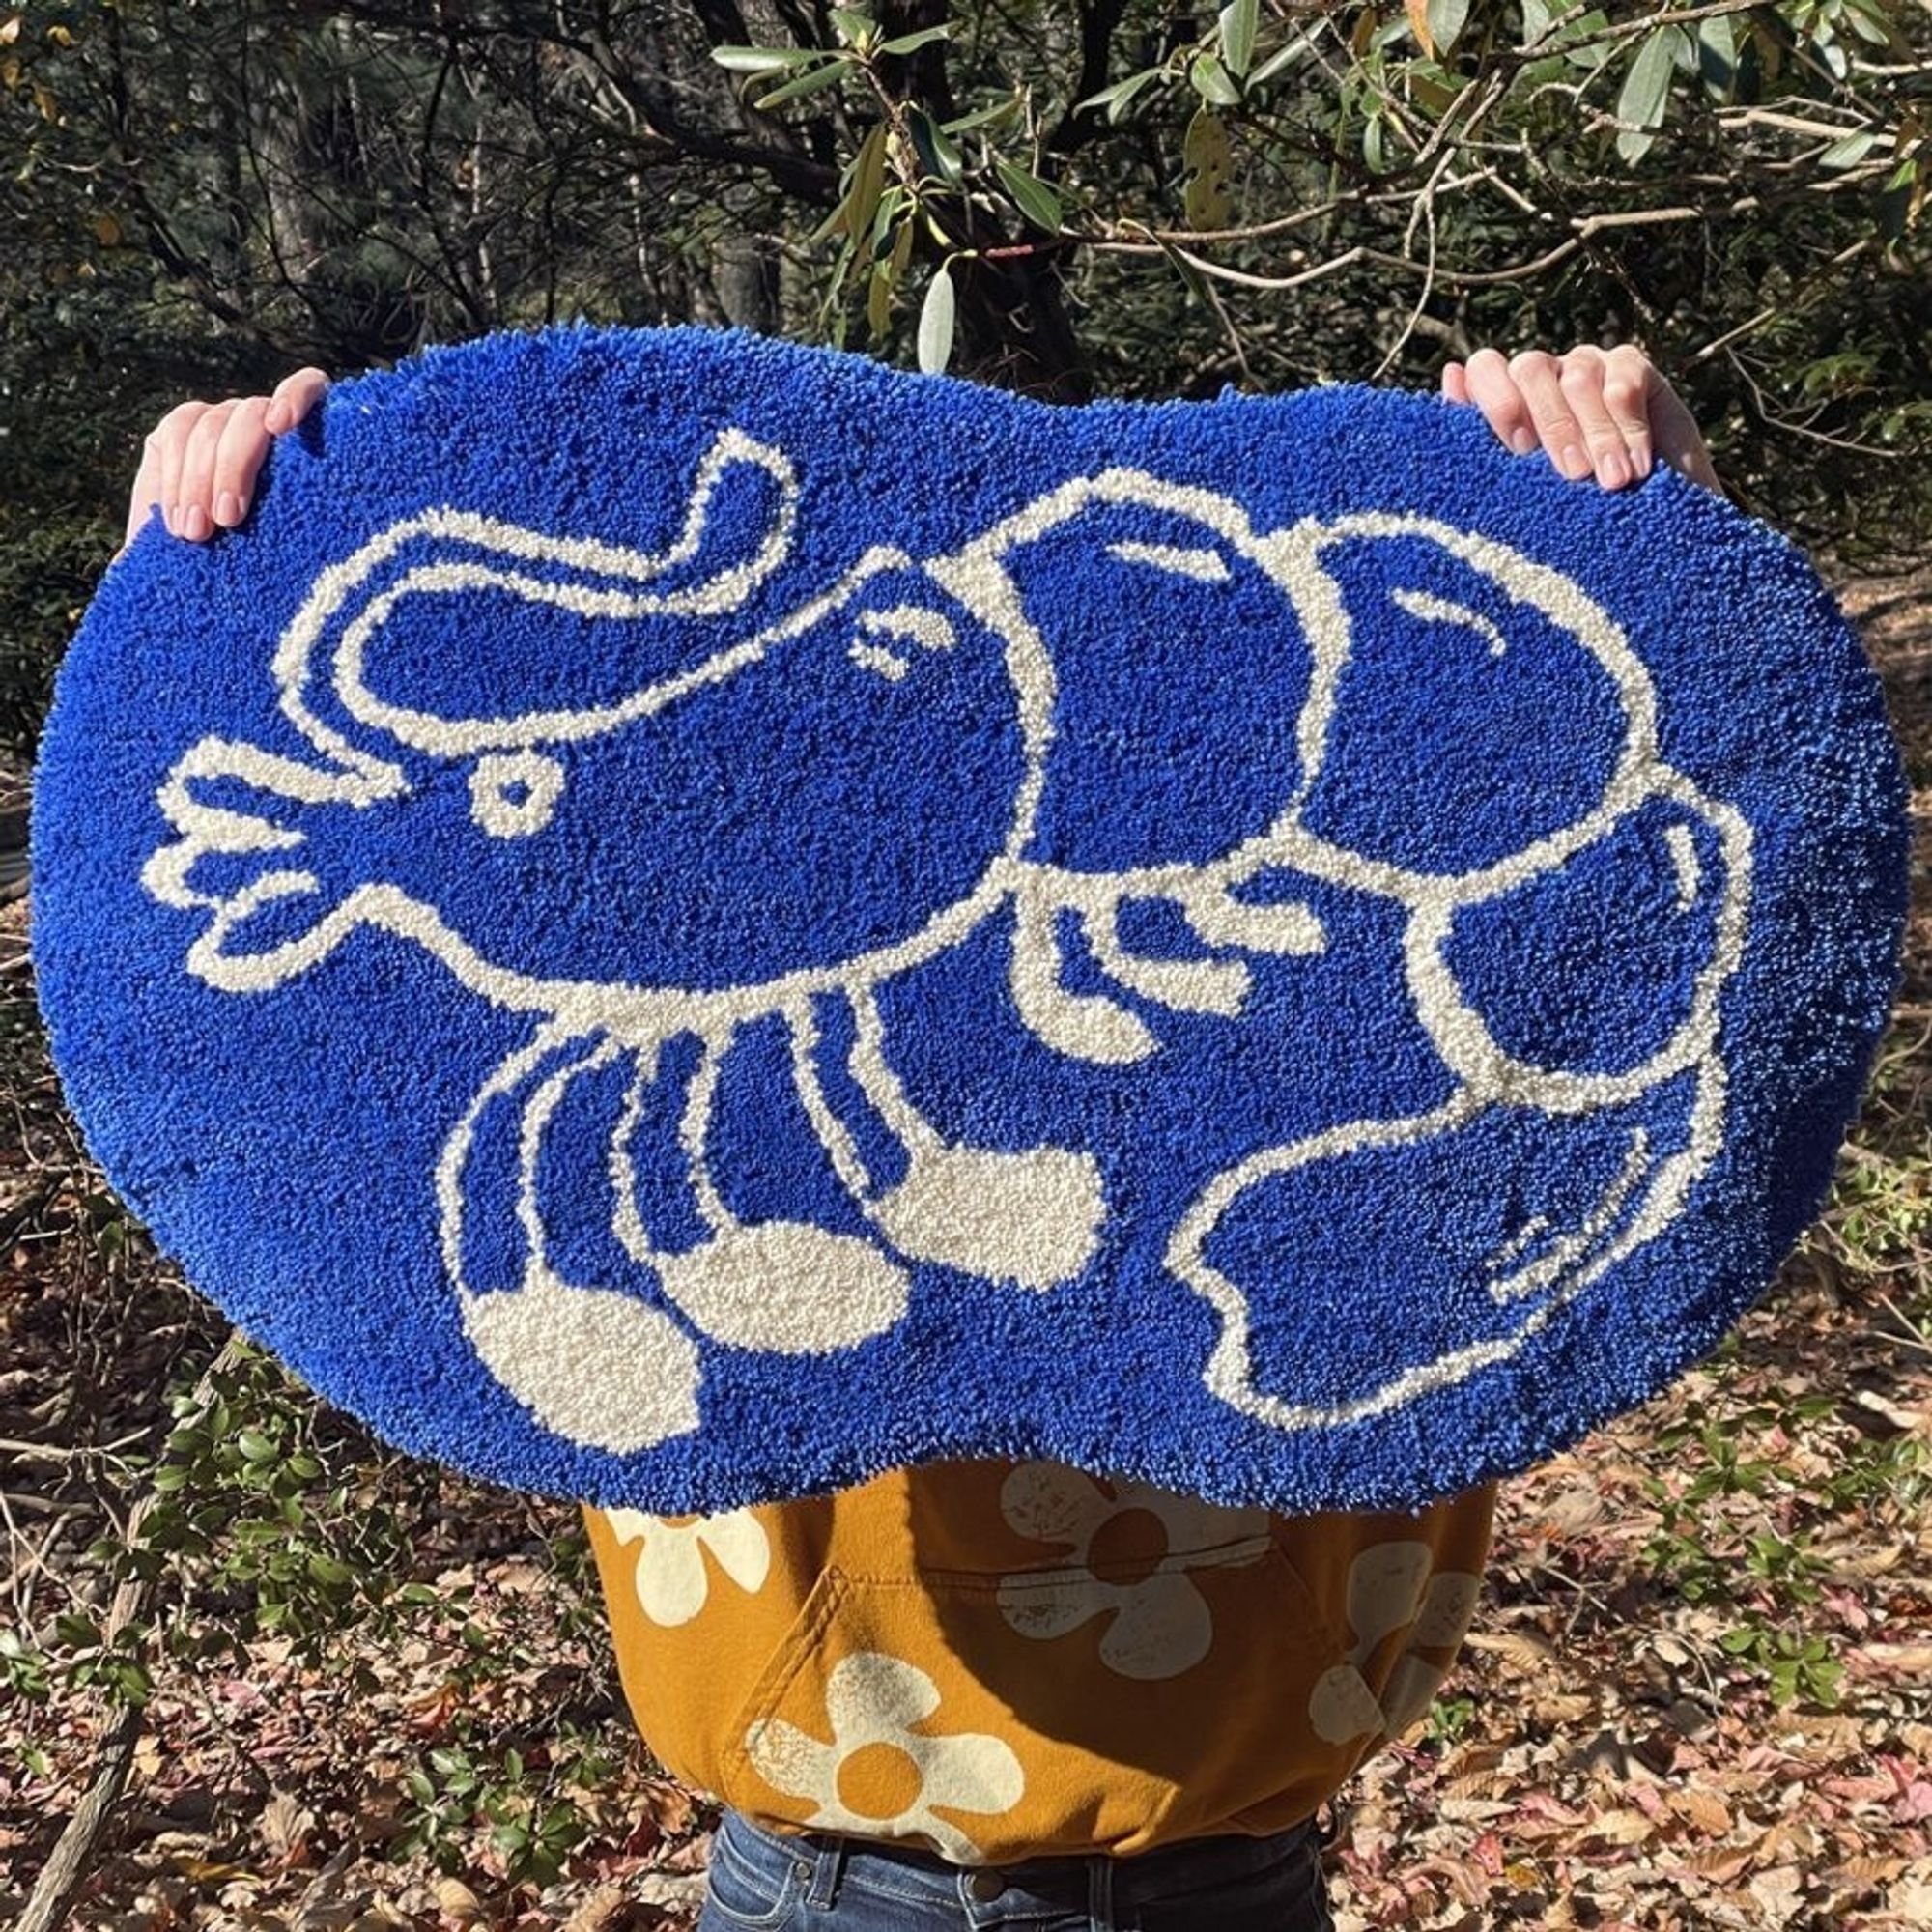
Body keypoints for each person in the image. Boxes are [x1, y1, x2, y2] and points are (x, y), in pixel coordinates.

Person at [126, 342, 1722, 1932]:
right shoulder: (578, 979)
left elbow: (1744, 840)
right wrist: (211, 572)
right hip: (806, 1869)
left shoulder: (1266, 939)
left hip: (1216, 1862)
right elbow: (295, 1116)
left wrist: (1651, 511)